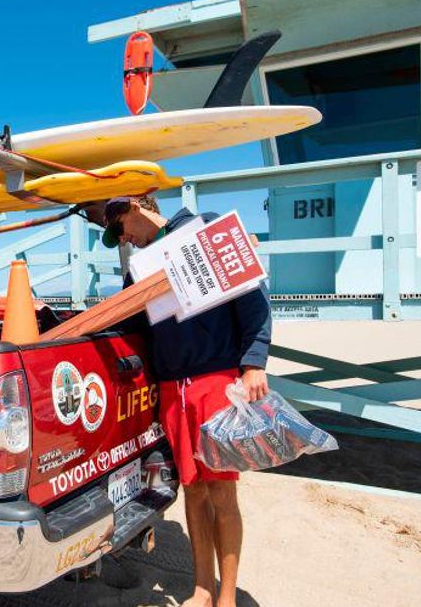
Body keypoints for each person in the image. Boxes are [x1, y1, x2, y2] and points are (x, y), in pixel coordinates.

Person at [100, 194, 271, 607]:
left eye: (120, 228)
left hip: (214, 381)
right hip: (171, 389)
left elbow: (252, 297)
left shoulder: (205, 227)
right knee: (193, 493)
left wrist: (254, 361)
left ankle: (227, 597)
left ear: (134, 207)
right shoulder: (140, 268)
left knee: (223, 494)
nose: (124, 238)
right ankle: (202, 590)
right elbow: (127, 319)